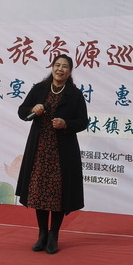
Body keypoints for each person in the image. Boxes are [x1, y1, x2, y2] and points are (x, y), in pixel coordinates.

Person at [15, 54, 88, 254]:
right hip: (40, 150)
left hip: (62, 152)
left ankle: (54, 235)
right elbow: (22, 112)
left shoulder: (75, 94)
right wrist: (33, 109)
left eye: (65, 67)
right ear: (52, 67)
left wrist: (66, 124)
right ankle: (42, 235)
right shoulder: (39, 89)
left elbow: (83, 122)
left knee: (58, 195)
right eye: (57, 65)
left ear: (70, 72)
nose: (60, 69)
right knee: (39, 193)